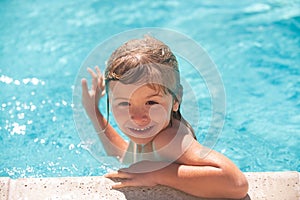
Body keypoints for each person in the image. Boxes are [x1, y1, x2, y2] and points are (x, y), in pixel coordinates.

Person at [81, 35, 248, 198]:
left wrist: (158, 174)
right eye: (125, 104)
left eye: (151, 103)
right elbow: (124, 154)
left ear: (176, 99)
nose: (137, 117)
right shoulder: (152, 131)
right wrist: (93, 111)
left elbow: (236, 183)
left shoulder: (168, 139)